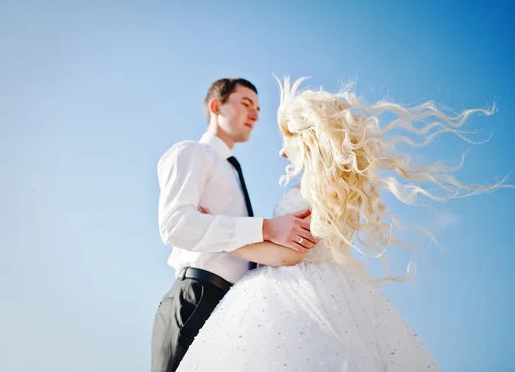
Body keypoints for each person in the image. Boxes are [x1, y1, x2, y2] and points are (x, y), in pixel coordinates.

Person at [176, 76, 511, 371]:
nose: (281, 153)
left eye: (287, 140)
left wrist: (216, 231)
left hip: (293, 295)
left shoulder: (313, 191)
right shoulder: (330, 189)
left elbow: (290, 255)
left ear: (307, 140)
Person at [150, 77, 320, 372]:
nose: (255, 114)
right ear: (216, 106)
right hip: (198, 296)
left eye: (257, 108)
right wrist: (265, 227)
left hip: (231, 311)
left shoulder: (231, 172)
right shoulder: (191, 152)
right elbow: (175, 224)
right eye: (245, 104)